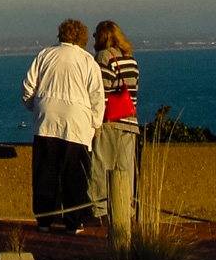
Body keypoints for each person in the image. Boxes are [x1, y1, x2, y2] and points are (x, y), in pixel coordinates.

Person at [21, 19, 105, 232]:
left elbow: (28, 87)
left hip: (46, 121)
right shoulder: (87, 61)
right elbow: (97, 97)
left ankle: (44, 220)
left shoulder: (45, 55)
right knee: (74, 175)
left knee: (44, 173)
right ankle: (74, 221)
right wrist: (94, 124)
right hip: (76, 125)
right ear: (82, 38)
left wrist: (37, 107)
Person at [88, 20, 140, 221]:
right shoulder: (131, 60)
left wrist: (97, 123)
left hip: (110, 122)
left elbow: (102, 93)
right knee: (125, 169)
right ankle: (125, 210)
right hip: (129, 122)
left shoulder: (103, 57)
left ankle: (100, 212)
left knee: (101, 167)